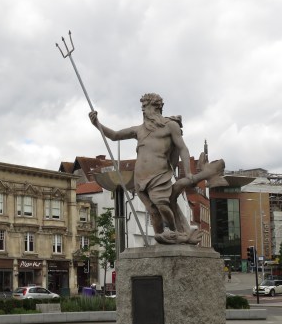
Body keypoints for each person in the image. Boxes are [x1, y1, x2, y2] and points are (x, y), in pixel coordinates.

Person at [90, 93, 224, 245]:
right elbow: (115, 135)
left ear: (156, 107)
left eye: (145, 107)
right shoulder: (139, 130)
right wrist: (97, 124)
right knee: (153, 211)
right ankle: (161, 237)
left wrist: (188, 172)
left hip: (159, 175)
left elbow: (182, 148)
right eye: (142, 107)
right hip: (140, 178)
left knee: (162, 204)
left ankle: (175, 232)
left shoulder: (170, 126)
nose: (143, 110)